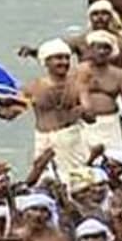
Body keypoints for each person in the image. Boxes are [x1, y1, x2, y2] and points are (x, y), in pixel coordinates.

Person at [13, 39, 91, 168]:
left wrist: (82, 111)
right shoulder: (33, 87)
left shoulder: (78, 84)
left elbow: (91, 117)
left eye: (67, 58)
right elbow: (10, 113)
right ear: (46, 61)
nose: (64, 62)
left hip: (70, 139)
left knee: (76, 181)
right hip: (43, 139)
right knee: (44, 181)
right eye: (58, 58)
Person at [75, 30, 122, 160]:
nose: (102, 52)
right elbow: (77, 93)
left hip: (111, 124)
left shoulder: (119, 73)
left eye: (106, 48)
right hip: (86, 124)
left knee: (116, 162)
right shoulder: (79, 70)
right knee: (87, 163)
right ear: (91, 49)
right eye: (99, 47)